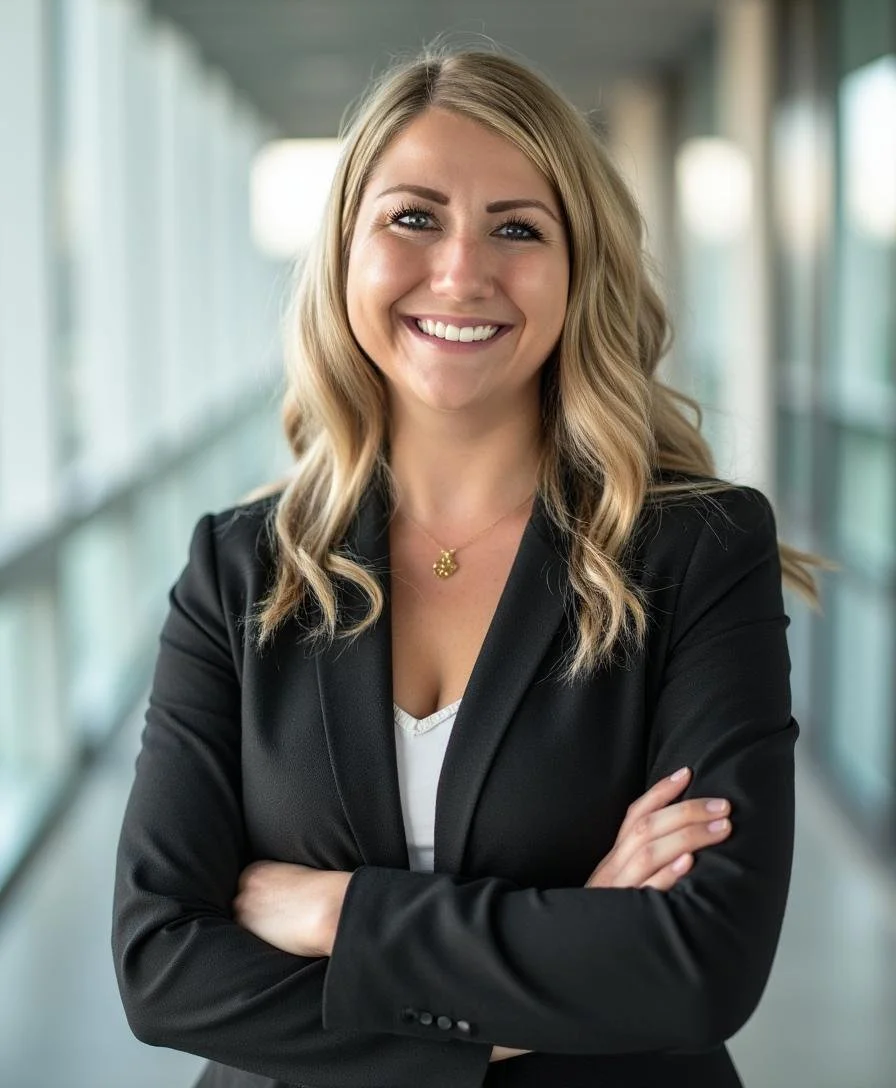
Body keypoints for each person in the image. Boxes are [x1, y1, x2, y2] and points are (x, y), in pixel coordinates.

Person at [112, 44, 824, 1088]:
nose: (459, 271)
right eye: (412, 217)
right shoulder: (240, 565)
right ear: (345, 251)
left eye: (516, 227)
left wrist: (333, 910)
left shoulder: (696, 549)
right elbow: (160, 965)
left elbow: (699, 963)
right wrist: (571, 942)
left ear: (579, 267)